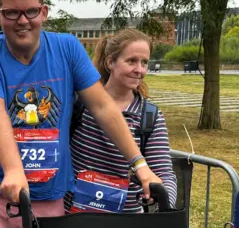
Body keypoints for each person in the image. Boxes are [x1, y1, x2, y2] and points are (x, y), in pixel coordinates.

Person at [0, 0, 161, 228]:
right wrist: (13, 170)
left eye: (31, 11)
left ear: (44, 12)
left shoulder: (67, 48)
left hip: (48, 196)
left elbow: (102, 106)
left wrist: (140, 165)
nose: (23, 21)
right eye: (12, 13)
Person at [65, 29, 177, 214]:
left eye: (144, 63)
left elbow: (163, 173)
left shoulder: (149, 117)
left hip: (126, 223)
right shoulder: (80, 104)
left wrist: (164, 205)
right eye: (131, 61)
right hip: (74, 218)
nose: (139, 69)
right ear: (110, 62)